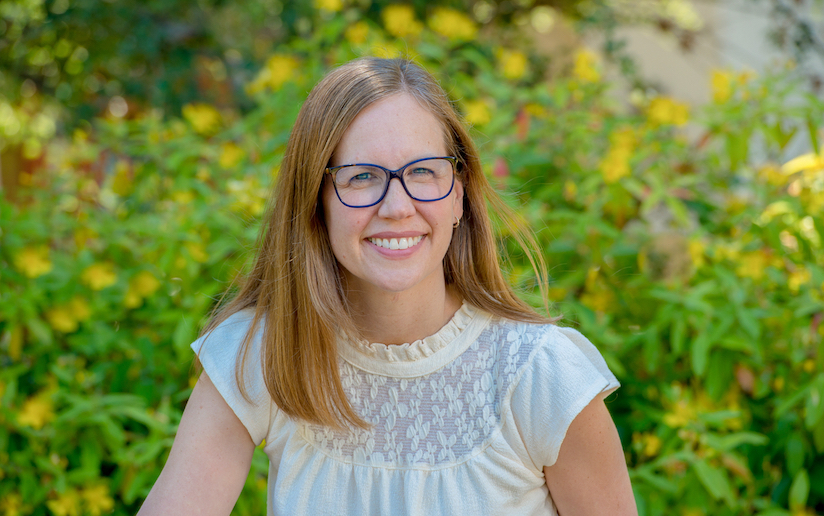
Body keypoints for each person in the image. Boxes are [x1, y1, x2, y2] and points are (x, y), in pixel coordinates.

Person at [137, 57, 637, 516]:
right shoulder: (266, 352)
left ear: (458, 197)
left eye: (422, 171)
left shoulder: (541, 377)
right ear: (317, 202)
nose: (397, 206)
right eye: (361, 178)